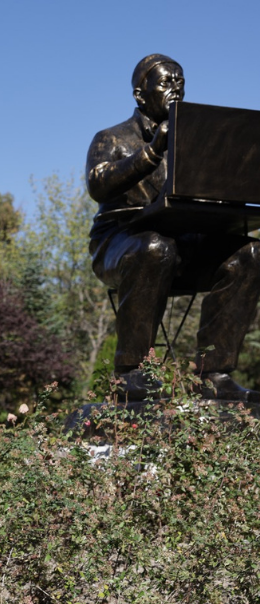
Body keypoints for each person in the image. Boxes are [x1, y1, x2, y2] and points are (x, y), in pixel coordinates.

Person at [86, 53, 260, 401]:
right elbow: (98, 185)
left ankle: (213, 374)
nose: (176, 88)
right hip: (121, 243)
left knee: (251, 253)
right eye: (166, 81)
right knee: (154, 247)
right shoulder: (112, 138)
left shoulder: (199, 141)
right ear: (141, 94)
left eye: (180, 81)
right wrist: (153, 150)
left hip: (184, 241)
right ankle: (132, 373)